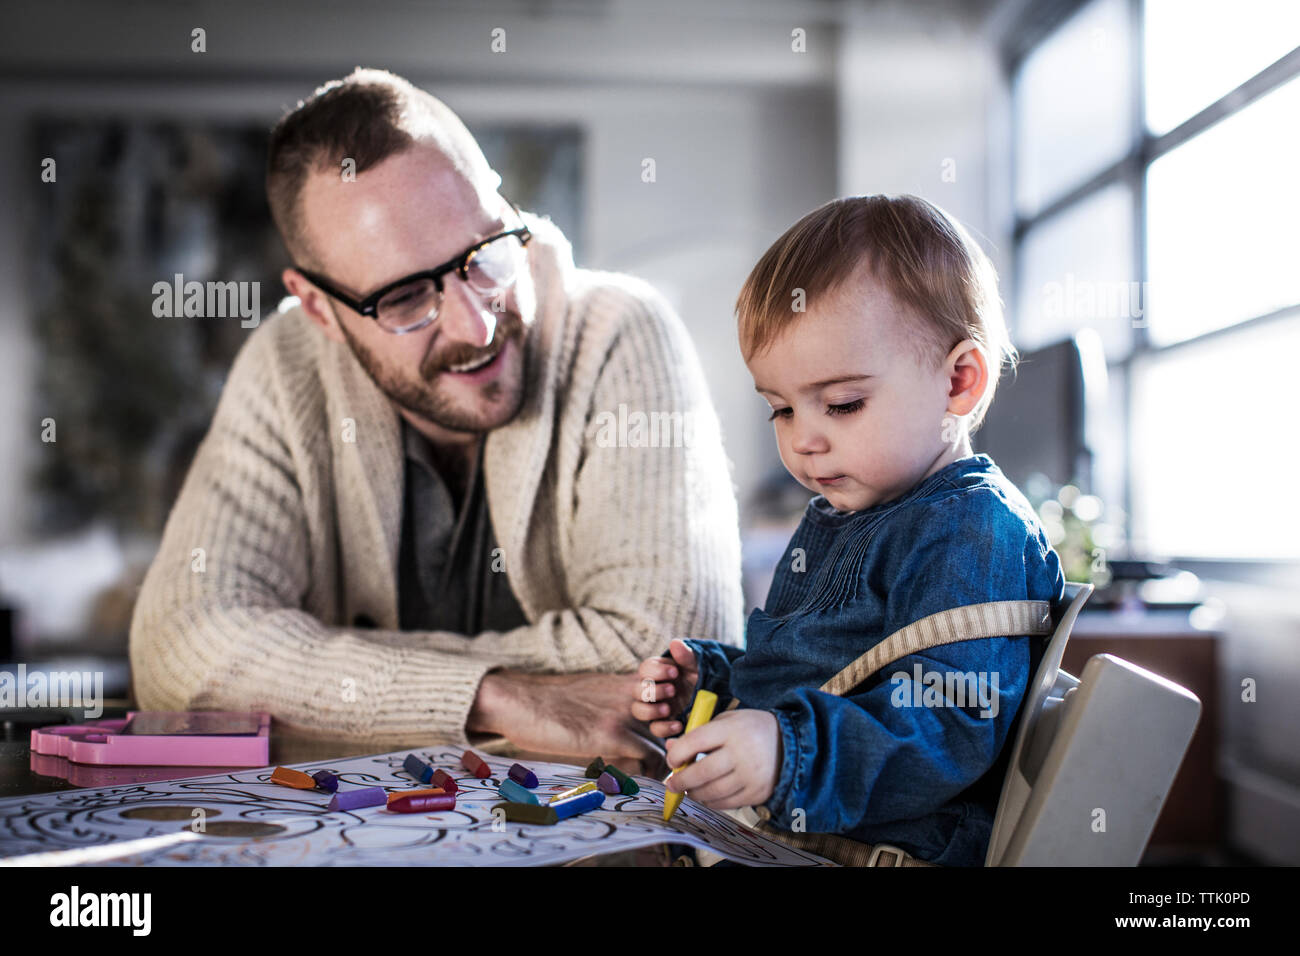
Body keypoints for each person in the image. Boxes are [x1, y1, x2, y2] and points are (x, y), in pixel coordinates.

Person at [128, 68, 744, 760]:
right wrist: (494, 697)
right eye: (404, 298)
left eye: (484, 255)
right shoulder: (285, 365)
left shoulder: (622, 331)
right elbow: (179, 651)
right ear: (318, 309)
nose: (476, 325)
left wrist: (301, 662)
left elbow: (673, 655)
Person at [633, 194, 1066, 866]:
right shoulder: (838, 518)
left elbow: (947, 726)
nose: (804, 439)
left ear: (959, 381)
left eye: (842, 404)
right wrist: (711, 686)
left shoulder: (975, 530)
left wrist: (788, 754)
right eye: (780, 409)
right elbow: (810, 673)